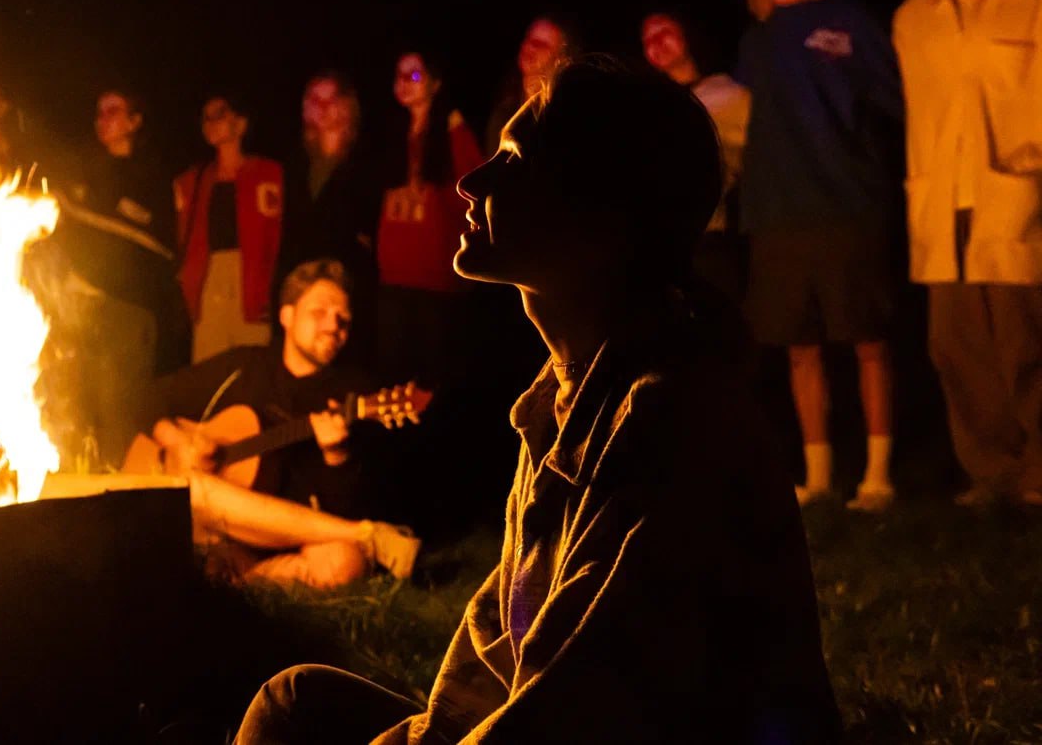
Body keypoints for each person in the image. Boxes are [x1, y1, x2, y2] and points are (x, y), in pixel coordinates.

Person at [233, 58, 840, 744]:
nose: (470, 180)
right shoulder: (557, 403)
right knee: (295, 700)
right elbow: (499, 660)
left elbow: (577, 703)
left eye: (513, 159)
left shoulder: (670, 420)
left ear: (601, 211)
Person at [735, 0, 906, 511]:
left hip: (848, 204)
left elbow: (894, 102)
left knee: (868, 340)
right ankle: (820, 476)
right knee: (798, 347)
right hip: (776, 213)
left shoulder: (846, 18)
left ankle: (879, 475)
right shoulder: (755, 41)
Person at [137, 258, 420, 588]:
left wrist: (336, 455)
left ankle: (242, 581)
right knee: (193, 488)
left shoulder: (353, 395)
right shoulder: (244, 367)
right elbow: (149, 397)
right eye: (320, 312)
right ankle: (370, 535)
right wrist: (175, 440)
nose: (334, 325)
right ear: (286, 315)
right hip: (214, 528)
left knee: (344, 561)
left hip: (283, 544)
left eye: (343, 318)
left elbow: (345, 506)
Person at [893, 0, 1042, 506]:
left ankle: (1037, 473)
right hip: (939, 202)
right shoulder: (912, 17)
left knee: (1025, 343)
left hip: (1015, 197)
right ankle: (990, 473)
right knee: (956, 348)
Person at [48, 86, 188, 469]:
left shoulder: (153, 178)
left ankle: (121, 500)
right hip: (81, 315)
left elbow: (154, 247)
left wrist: (98, 281)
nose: (102, 120)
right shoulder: (88, 175)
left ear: (135, 121)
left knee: (120, 419)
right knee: (77, 412)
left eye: (113, 110)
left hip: (128, 316)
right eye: (98, 112)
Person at [375, 50, 483, 387]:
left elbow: (474, 189)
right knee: (392, 377)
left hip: (434, 277)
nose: (405, 83)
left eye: (416, 75)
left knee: (432, 381)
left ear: (435, 84)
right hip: (393, 275)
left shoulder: (453, 131)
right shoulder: (393, 135)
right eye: (400, 75)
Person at [642, 10, 752, 304]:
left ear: (687, 36)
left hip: (708, 242)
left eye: (665, 32)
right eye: (648, 39)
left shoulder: (728, 94)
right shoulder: (649, 106)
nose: (657, 42)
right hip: (657, 248)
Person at [275, 72, 381, 368]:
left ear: (348, 106)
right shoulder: (294, 161)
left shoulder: (366, 160)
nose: (321, 106)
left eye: (330, 99)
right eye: (313, 99)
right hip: (300, 280)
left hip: (347, 284)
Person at [174, 94, 283, 364]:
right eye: (206, 117)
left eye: (220, 114)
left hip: (252, 282)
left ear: (241, 124)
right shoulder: (193, 181)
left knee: (251, 367)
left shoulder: (268, 174)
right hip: (209, 280)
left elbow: (276, 235)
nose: (211, 123)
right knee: (208, 367)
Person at [483, 14, 579, 155]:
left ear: (561, 59)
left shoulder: (567, 118)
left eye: (542, 45)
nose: (531, 48)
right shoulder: (503, 114)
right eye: (530, 40)